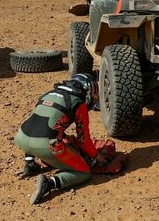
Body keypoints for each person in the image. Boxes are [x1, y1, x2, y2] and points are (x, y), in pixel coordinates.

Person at [14, 73, 107, 205]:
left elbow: (39, 123)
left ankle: (29, 163)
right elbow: (84, 141)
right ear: (88, 91)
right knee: (84, 172)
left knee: (38, 129)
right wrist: (97, 156)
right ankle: (49, 184)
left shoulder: (48, 94)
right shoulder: (78, 104)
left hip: (21, 138)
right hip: (44, 146)